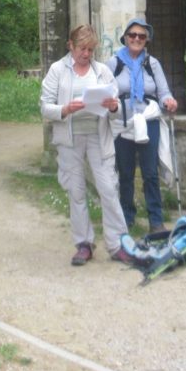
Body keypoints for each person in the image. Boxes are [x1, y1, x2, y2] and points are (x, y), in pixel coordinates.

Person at [40, 24, 136, 266]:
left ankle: (118, 243)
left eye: (91, 49)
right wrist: (65, 109)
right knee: (77, 191)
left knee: (108, 189)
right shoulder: (57, 70)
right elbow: (45, 107)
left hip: (98, 137)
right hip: (70, 138)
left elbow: (116, 110)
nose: (86, 54)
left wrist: (113, 107)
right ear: (70, 46)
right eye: (82, 48)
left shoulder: (102, 71)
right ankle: (83, 244)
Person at [108, 18, 178, 234]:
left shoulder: (152, 63)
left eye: (141, 36)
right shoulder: (113, 63)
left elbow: (163, 92)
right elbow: (106, 91)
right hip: (123, 123)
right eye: (133, 35)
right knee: (125, 173)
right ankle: (126, 219)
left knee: (150, 173)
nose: (137, 39)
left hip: (148, 121)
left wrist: (169, 101)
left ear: (146, 40)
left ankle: (156, 221)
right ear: (125, 38)